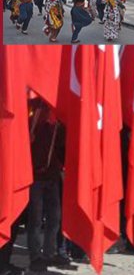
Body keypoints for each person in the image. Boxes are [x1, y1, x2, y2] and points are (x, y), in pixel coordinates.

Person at [26, 99, 70, 272]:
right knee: (35, 220)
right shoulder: (33, 112)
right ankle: (35, 256)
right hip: (35, 176)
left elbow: (62, 146)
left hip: (52, 175)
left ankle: (49, 253)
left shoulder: (58, 117)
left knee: (54, 219)